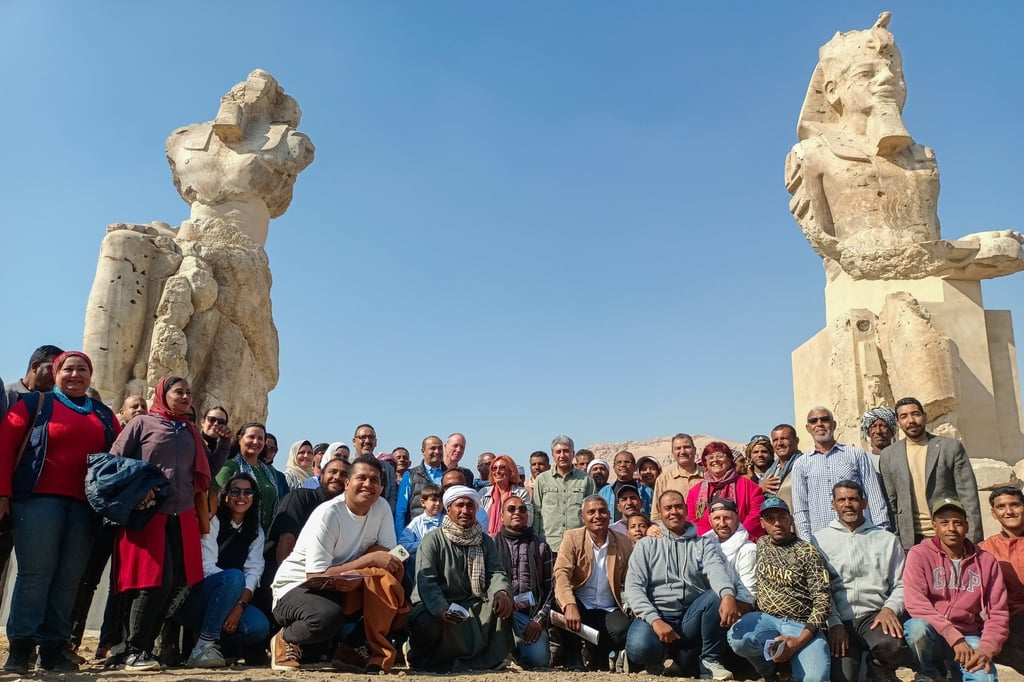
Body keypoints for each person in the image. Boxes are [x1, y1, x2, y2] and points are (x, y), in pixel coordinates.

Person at [0, 350, 119, 673]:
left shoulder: (104, 415)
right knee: (36, 574)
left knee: (69, 579)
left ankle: (53, 647)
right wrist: (3, 493)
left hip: (84, 507)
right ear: (56, 373)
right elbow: (5, 446)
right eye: (68, 369)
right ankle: (21, 648)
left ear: (90, 375)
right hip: (37, 501)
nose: (75, 375)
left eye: (82, 369)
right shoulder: (34, 404)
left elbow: (119, 455)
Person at [108, 375, 210, 671]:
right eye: (179, 392)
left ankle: (143, 649)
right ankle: (132, 649)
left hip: (182, 516)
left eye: (188, 392)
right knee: (153, 581)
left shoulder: (190, 430)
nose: (185, 397)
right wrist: (139, 487)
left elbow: (202, 473)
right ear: (163, 394)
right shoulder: (142, 423)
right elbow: (114, 461)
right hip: (149, 514)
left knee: (174, 583)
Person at [271, 455, 405, 673]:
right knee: (326, 619)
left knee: (395, 584)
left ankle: (351, 650)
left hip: (343, 581)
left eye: (375, 480)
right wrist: (368, 561)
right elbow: (315, 575)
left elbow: (386, 555)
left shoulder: (381, 507)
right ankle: (285, 638)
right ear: (347, 483)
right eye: (361, 478)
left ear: (381, 487)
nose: (368, 484)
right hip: (297, 587)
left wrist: (364, 570)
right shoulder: (329, 513)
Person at [625, 490, 740, 680]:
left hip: (689, 617)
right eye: (668, 508)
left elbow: (716, 570)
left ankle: (709, 661)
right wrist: (655, 620)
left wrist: (728, 595)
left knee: (717, 596)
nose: (673, 512)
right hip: (658, 614)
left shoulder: (703, 544)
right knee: (639, 648)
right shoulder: (646, 545)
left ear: (686, 509)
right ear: (660, 512)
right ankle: (657, 660)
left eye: (678, 507)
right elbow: (633, 587)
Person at [407, 485, 514, 672]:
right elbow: (427, 581)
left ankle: (484, 659)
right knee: (427, 621)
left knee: (501, 607)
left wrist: (502, 592)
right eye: (460, 505)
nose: (465, 510)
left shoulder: (485, 541)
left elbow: (496, 572)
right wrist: (440, 608)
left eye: (470, 506)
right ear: (449, 509)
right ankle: (422, 657)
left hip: (473, 602)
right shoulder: (432, 540)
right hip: (437, 603)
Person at [810, 480, 908, 682]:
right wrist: (833, 622)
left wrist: (890, 608)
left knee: (892, 645)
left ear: (864, 503)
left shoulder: (886, 539)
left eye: (853, 499)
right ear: (833, 504)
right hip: (840, 619)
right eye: (841, 500)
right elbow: (819, 588)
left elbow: (902, 583)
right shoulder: (819, 540)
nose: (847, 504)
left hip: (874, 617)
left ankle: (878, 666)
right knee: (843, 678)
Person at [902, 498, 1008, 682]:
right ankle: (930, 674)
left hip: (968, 635)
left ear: (966, 527)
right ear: (934, 526)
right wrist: (954, 637)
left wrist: (985, 649)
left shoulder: (985, 561)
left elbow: (998, 612)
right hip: (933, 633)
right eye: (944, 523)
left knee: (986, 678)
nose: (951, 528)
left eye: (957, 523)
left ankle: (953, 670)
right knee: (917, 629)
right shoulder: (919, 554)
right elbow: (916, 603)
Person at [727, 497, 832, 682]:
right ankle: (770, 673)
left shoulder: (808, 552)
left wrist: (798, 641)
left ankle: (792, 665)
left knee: (816, 678)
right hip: (767, 620)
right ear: (762, 523)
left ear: (790, 520)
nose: (777, 523)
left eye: (782, 517)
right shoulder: (761, 544)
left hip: (801, 625)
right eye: (770, 518)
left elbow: (823, 601)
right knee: (738, 639)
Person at [174, 473, 270, 667]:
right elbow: (206, 566)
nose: (241, 496)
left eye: (248, 492)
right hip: (198, 598)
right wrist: (234, 586)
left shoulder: (256, 531)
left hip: (234, 599)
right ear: (225, 496)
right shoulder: (213, 521)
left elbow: (253, 571)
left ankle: (213, 642)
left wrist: (239, 606)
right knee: (234, 577)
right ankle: (204, 646)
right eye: (235, 491)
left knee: (258, 626)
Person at [881, 397, 984, 551]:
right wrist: (896, 538)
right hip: (910, 540)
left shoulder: (950, 448)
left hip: (948, 535)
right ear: (898, 423)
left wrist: (972, 539)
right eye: (904, 416)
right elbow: (891, 502)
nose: (911, 420)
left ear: (924, 416)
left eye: (915, 414)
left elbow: (968, 496)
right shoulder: (889, 455)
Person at [553, 495, 632, 669]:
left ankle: (598, 656)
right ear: (583, 518)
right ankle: (573, 655)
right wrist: (569, 604)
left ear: (609, 515)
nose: (597, 516)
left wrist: (633, 607)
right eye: (591, 512)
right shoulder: (572, 537)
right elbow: (561, 573)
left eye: (602, 511)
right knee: (558, 603)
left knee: (623, 632)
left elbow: (629, 581)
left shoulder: (624, 542)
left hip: (608, 607)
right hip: (580, 604)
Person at [791, 406, 889, 539]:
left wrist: (881, 533)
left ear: (834, 424)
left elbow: (874, 496)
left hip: (859, 535)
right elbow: (801, 508)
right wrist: (807, 541)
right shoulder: (801, 464)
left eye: (824, 419)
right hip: (821, 539)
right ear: (808, 428)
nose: (819, 424)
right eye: (813, 421)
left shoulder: (855, 455)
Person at [492, 494, 554, 669]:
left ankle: (517, 652)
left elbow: (550, 588)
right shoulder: (490, 544)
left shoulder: (541, 546)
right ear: (502, 516)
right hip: (498, 616)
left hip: (528, 617)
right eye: (511, 509)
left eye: (522, 509)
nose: (517, 512)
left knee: (539, 660)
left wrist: (539, 621)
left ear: (528, 515)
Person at [267, 455, 348, 571]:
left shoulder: (344, 510)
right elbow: (286, 540)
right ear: (321, 476)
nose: (337, 477)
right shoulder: (301, 497)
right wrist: (288, 576)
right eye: (333, 472)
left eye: (344, 474)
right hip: (284, 572)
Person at [980, 486, 1024, 673]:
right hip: (1006, 621)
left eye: (1015, 505)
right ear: (994, 513)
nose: (1009, 511)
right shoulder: (985, 550)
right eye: (1001, 507)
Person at [687, 441, 765, 541]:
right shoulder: (694, 492)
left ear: (729, 460)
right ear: (705, 463)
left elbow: (755, 516)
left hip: (741, 541)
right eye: (710, 457)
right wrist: (710, 539)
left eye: (720, 456)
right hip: (705, 542)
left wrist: (735, 537)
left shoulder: (750, 487)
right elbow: (691, 520)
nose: (715, 460)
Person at [533, 435, 596, 554]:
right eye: (558, 452)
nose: (562, 455)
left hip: (578, 545)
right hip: (549, 546)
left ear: (573, 453)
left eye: (566, 451)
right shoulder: (542, 480)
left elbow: (592, 512)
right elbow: (537, 512)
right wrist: (535, 541)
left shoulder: (586, 479)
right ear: (553, 455)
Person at [214, 423, 279, 533]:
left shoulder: (271, 472)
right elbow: (215, 499)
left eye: (260, 438)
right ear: (240, 439)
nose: (255, 442)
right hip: (232, 532)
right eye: (251, 437)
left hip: (264, 536)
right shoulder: (229, 467)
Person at [704, 498, 757, 607]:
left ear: (737, 519)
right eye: (717, 518)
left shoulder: (748, 550)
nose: (722, 524)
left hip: (734, 608)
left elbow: (746, 597)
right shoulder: (703, 547)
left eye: (727, 518)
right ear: (710, 520)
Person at [395, 435, 446, 537]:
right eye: (433, 448)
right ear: (423, 451)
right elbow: (400, 511)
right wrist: (400, 539)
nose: (437, 451)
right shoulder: (410, 475)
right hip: (417, 536)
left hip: (445, 535)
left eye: (440, 448)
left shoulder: (449, 475)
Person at [480, 454, 537, 534]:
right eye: (494, 468)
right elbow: (478, 519)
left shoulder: (521, 493)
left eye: (502, 468)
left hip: (513, 538)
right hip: (486, 539)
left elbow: (528, 520)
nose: (497, 471)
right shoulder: (483, 493)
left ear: (511, 471)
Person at [652, 433, 704, 522]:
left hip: (704, 528)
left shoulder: (708, 475)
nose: (683, 452)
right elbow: (656, 515)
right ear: (673, 453)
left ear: (695, 450)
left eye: (687, 447)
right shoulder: (663, 479)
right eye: (678, 448)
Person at [598, 450, 654, 520]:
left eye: (627, 462)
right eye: (619, 462)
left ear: (635, 467)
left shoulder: (647, 492)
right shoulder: (604, 492)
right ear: (614, 468)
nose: (623, 465)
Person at [398, 483, 444, 565]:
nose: (438, 503)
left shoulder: (446, 520)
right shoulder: (416, 522)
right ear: (423, 502)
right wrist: (423, 544)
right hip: (420, 563)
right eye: (434, 500)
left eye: (441, 501)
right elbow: (403, 545)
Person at [759, 424, 803, 508]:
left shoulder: (804, 465)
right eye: (775, 440)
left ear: (796, 441)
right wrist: (760, 489)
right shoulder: (770, 472)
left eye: (784, 439)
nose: (779, 443)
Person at [198, 405, 233, 477]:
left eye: (221, 422)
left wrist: (225, 440)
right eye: (211, 419)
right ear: (202, 422)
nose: (216, 423)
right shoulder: (193, 442)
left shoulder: (227, 450)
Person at [261, 432, 289, 498]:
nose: (268, 452)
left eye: (272, 449)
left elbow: (286, 500)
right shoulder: (248, 470)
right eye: (265, 448)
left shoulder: (279, 477)